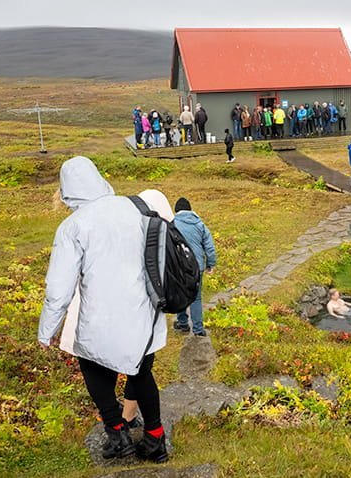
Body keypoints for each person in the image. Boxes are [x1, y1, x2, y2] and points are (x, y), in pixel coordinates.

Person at [39, 156, 168, 463]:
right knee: (142, 373)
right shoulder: (133, 207)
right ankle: (155, 438)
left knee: (94, 370)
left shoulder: (73, 227)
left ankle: (117, 434)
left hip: (101, 317)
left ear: (67, 190)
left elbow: (58, 289)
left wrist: (47, 332)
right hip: (144, 311)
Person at [172, 197, 217, 337]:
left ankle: (183, 323)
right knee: (196, 298)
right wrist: (210, 263)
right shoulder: (200, 224)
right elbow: (209, 246)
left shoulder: (172, 224)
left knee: (180, 294)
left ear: (176, 211)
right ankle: (198, 329)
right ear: (190, 210)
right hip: (197, 266)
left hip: (179, 266)